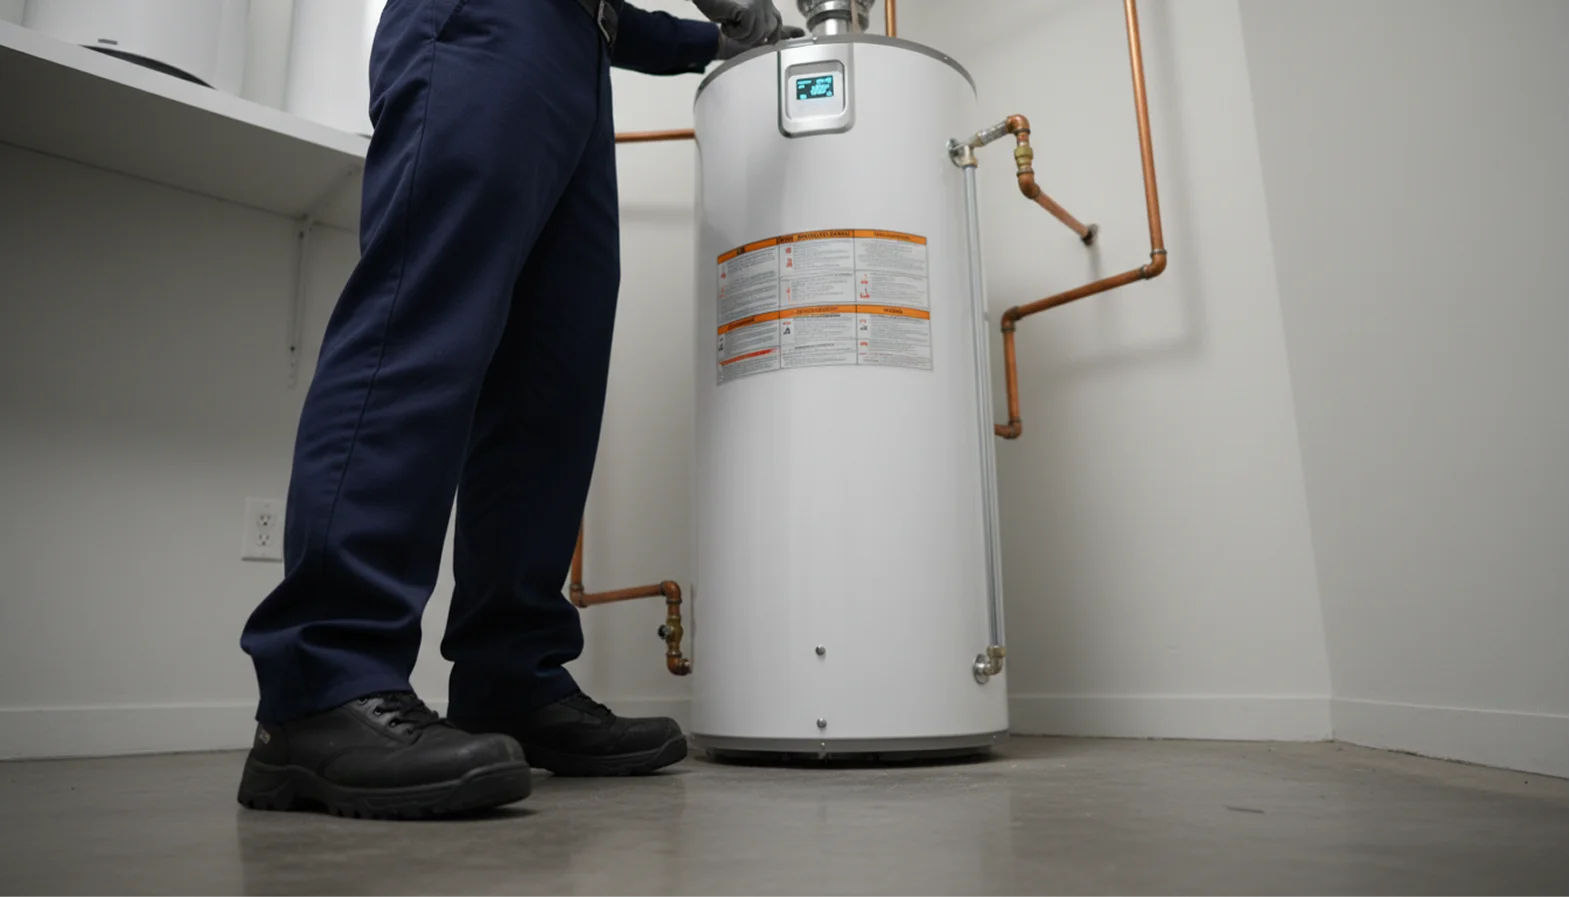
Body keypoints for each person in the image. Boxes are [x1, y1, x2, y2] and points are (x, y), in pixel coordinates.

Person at [235, 0, 794, 819]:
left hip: (577, 48)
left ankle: (510, 673)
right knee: (423, 321)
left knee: (551, 378)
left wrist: (711, 41)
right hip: (486, 22)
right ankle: (320, 684)